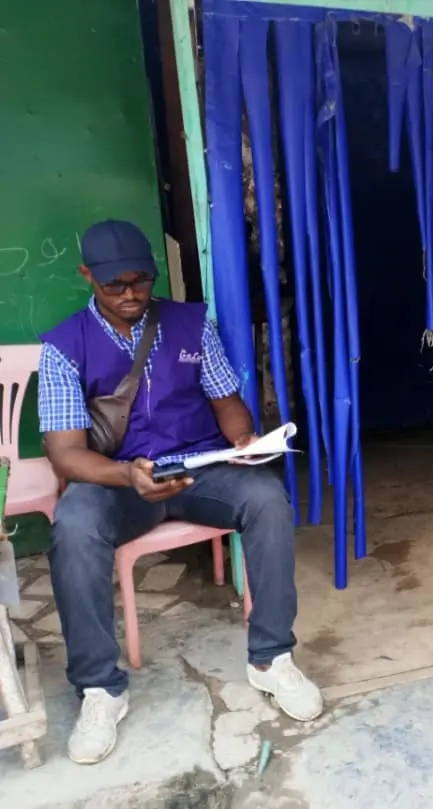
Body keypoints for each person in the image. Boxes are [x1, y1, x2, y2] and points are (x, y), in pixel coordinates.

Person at [38, 220, 323, 765]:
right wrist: (127, 476)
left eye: (140, 281)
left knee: (266, 498)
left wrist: (242, 440)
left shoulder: (191, 325)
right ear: (87, 276)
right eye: (114, 285)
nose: (130, 295)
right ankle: (100, 689)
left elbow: (226, 401)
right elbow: (66, 453)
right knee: (73, 526)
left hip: (197, 469)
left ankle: (271, 659)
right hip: (118, 480)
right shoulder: (64, 345)